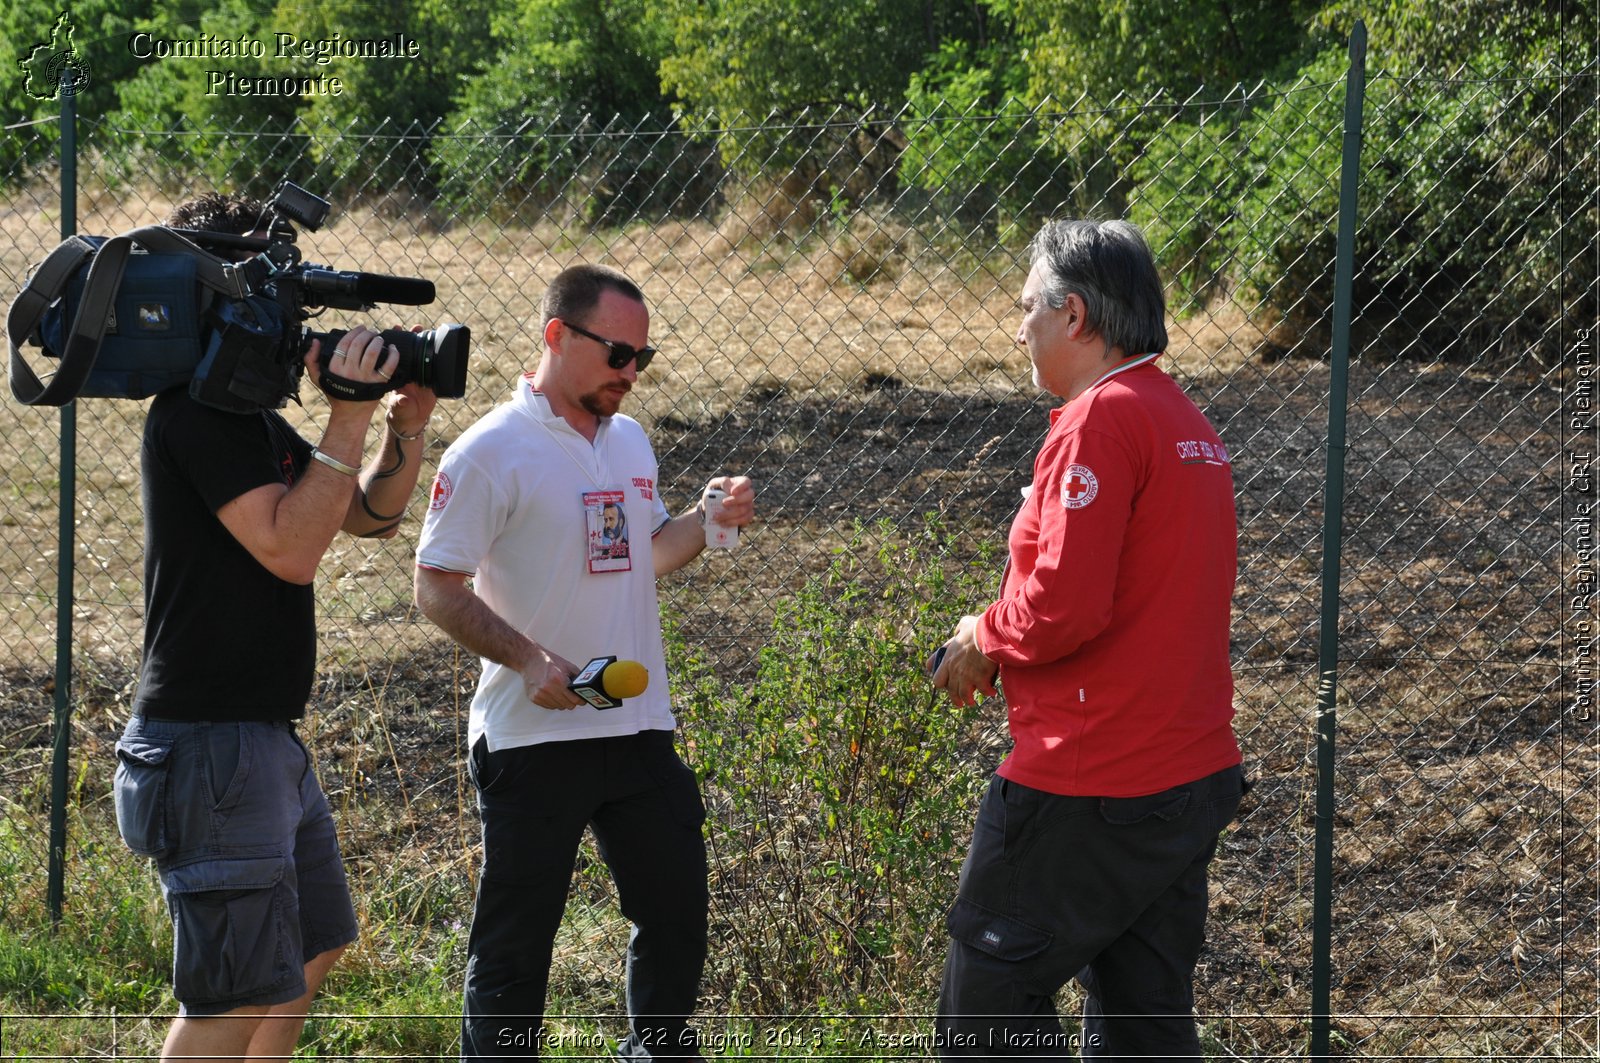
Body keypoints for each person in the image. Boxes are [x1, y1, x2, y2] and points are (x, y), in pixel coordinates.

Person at [111, 193, 438, 1061]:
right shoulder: (192, 414)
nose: (290, 316)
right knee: (229, 998)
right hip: (209, 744)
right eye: (273, 290)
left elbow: (362, 514)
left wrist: (403, 425)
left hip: (258, 740)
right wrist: (349, 412)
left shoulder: (249, 418)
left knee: (305, 951)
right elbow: (291, 548)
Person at [413, 263, 755, 1061]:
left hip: (636, 724)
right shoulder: (490, 451)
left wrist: (706, 521)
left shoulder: (630, 440)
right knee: (516, 945)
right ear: (557, 336)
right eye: (616, 354)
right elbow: (434, 584)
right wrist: (529, 659)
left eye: (643, 357)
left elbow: (647, 552)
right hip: (532, 735)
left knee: (675, 914)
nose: (630, 373)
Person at [931, 219, 1245, 1059]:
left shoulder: (1097, 420)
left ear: (1074, 315)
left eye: (1027, 305)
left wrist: (982, 637)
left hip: (1090, 778)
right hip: (1184, 775)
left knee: (984, 1010)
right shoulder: (1184, 420)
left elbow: (1066, 604)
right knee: (1145, 1023)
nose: (1017, 325)